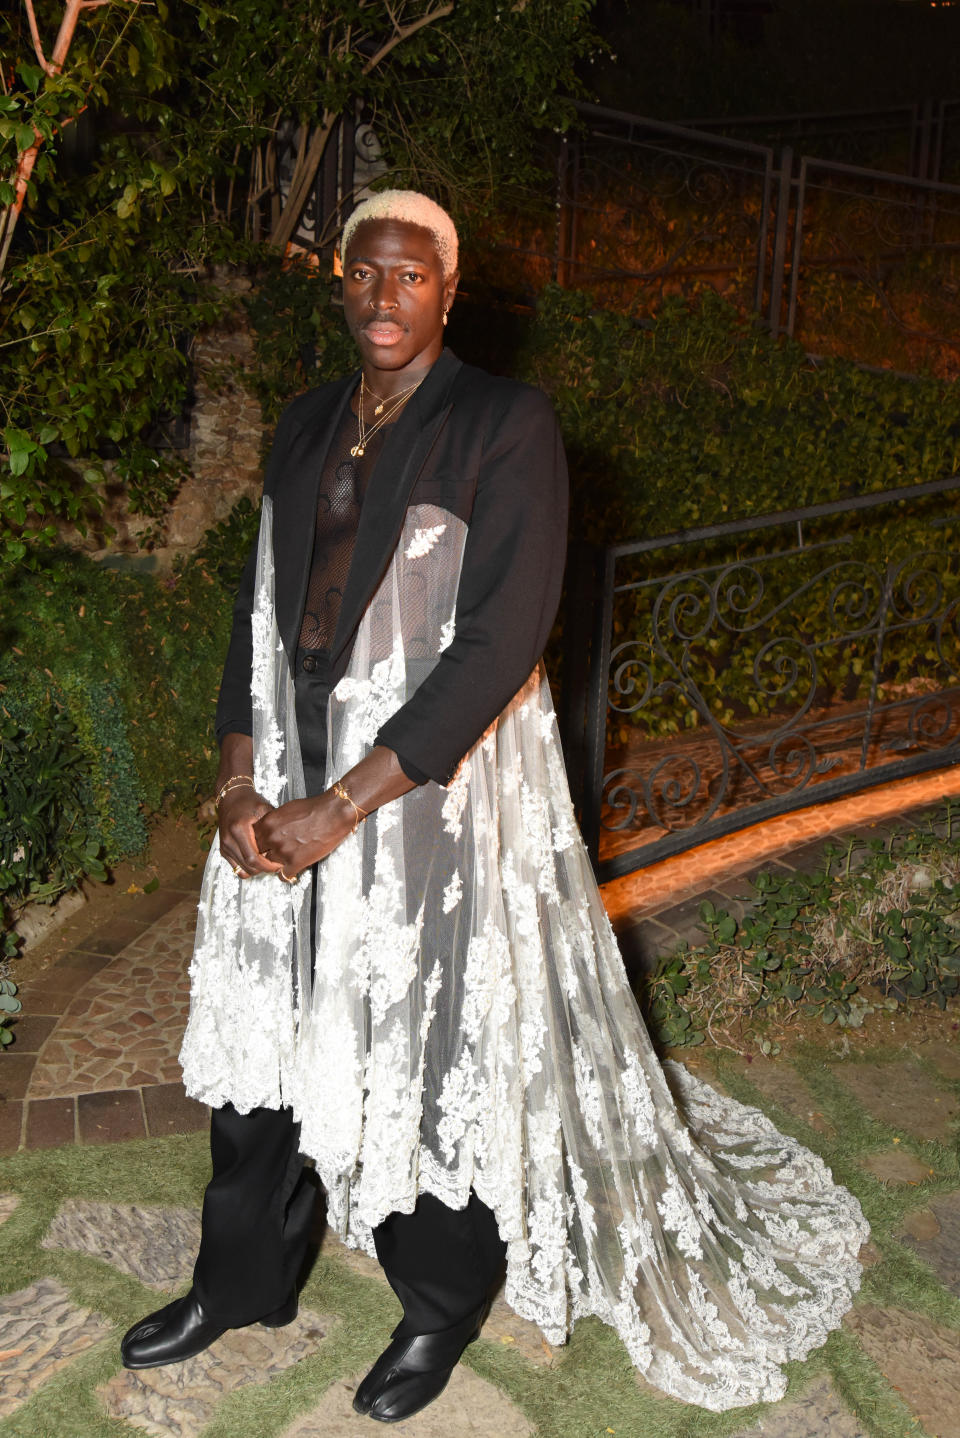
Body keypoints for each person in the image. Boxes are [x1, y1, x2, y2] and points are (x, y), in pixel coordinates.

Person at [122, 191, 869, 1423]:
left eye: (410, 277)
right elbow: (255, 615)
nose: (382, 297)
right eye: (364, 273)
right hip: (284, 781)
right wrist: (236, 778)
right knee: (259, 1050)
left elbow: (502, 643)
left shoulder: (504, 425)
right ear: (339, 282)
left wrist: (344, 809)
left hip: (420, 802)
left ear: (449, 292)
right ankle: (241, 1279)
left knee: (428, 1049)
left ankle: (438, 1301)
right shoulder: (303, 424)